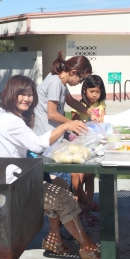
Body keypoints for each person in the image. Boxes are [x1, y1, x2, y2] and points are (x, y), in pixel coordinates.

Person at [0, 74, 101, 259]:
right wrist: (65, 127)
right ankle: (86, 245)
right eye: (21, 94)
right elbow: (38, 145)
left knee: (61, 182)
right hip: (11, 187)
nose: (27, 99)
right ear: (10, 94)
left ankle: (54, 238)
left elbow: (28, 146)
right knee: (64, 197)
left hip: (7, 179)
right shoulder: (11, 121)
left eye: (30, 95)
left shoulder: (5, 116)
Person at [33, 51, 97, 186]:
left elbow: (71, 101)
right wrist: (72, 123)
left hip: (55, 137)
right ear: (73, 72)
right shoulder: (55, 82)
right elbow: (52, 114)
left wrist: (88, 111)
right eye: (82, 79)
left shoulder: (61, 82)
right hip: (48, 140)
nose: (80, 83)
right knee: (63, 181)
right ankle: (68, 204)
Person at [71, 74, 107, 225]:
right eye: (92, 91)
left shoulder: (101, 105)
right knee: (78, 177)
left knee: (90, 177)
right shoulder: (78, 105)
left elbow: (102, 124)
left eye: (97, 92)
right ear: (84, 90)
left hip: (93, 146)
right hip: (79, 146)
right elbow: (72, 124)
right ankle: (78, 210)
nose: (94, 95)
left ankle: (86, 213)